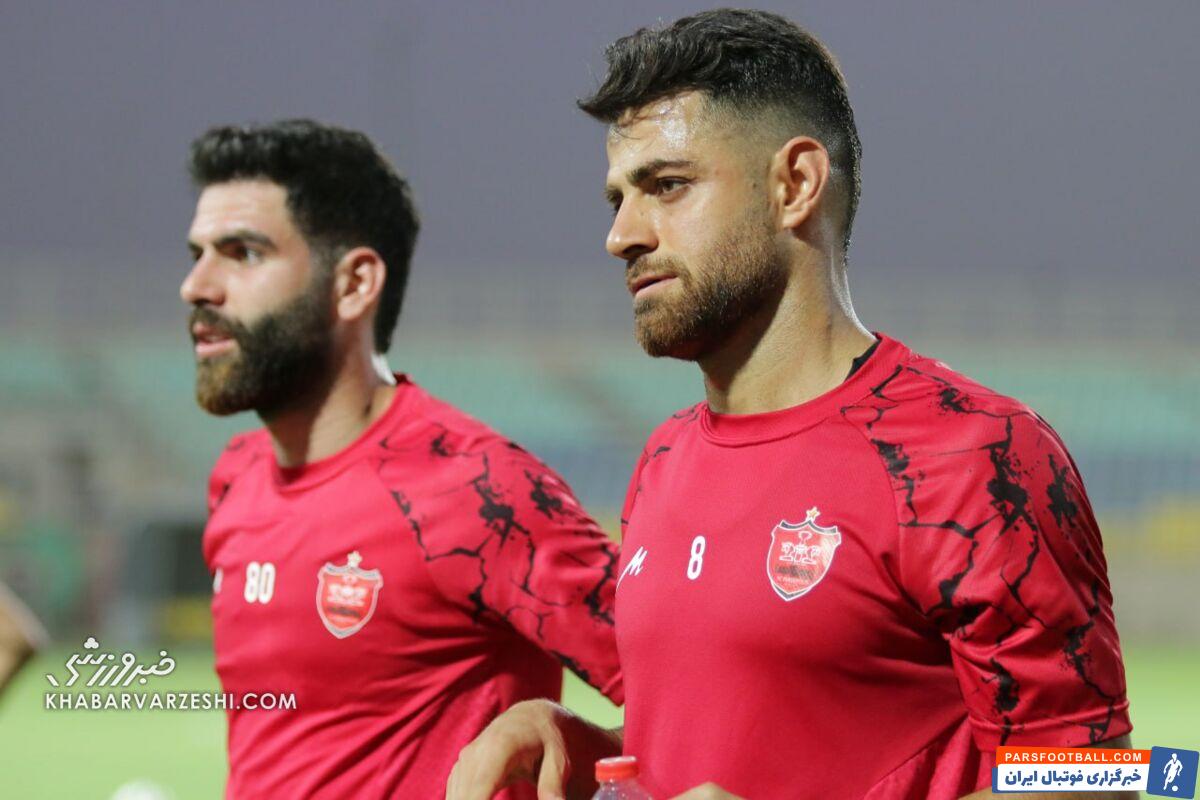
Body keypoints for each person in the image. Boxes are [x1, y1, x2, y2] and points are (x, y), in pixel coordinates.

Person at [447, 10, 1133, 800]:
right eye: (617, 199)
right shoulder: (665, 457)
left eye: (667, 186)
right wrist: (584, 748)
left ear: (796, 184)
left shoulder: (975, 456)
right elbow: (748, 750)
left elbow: (1098, 779)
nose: (622, 235)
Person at [182, 120, 621, 798]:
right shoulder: (235, 478)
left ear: (354, 283)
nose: (196, 285)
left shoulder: (476, 491)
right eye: (197, 254)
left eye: (242, 253)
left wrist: (575, 743)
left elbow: (705, 699)